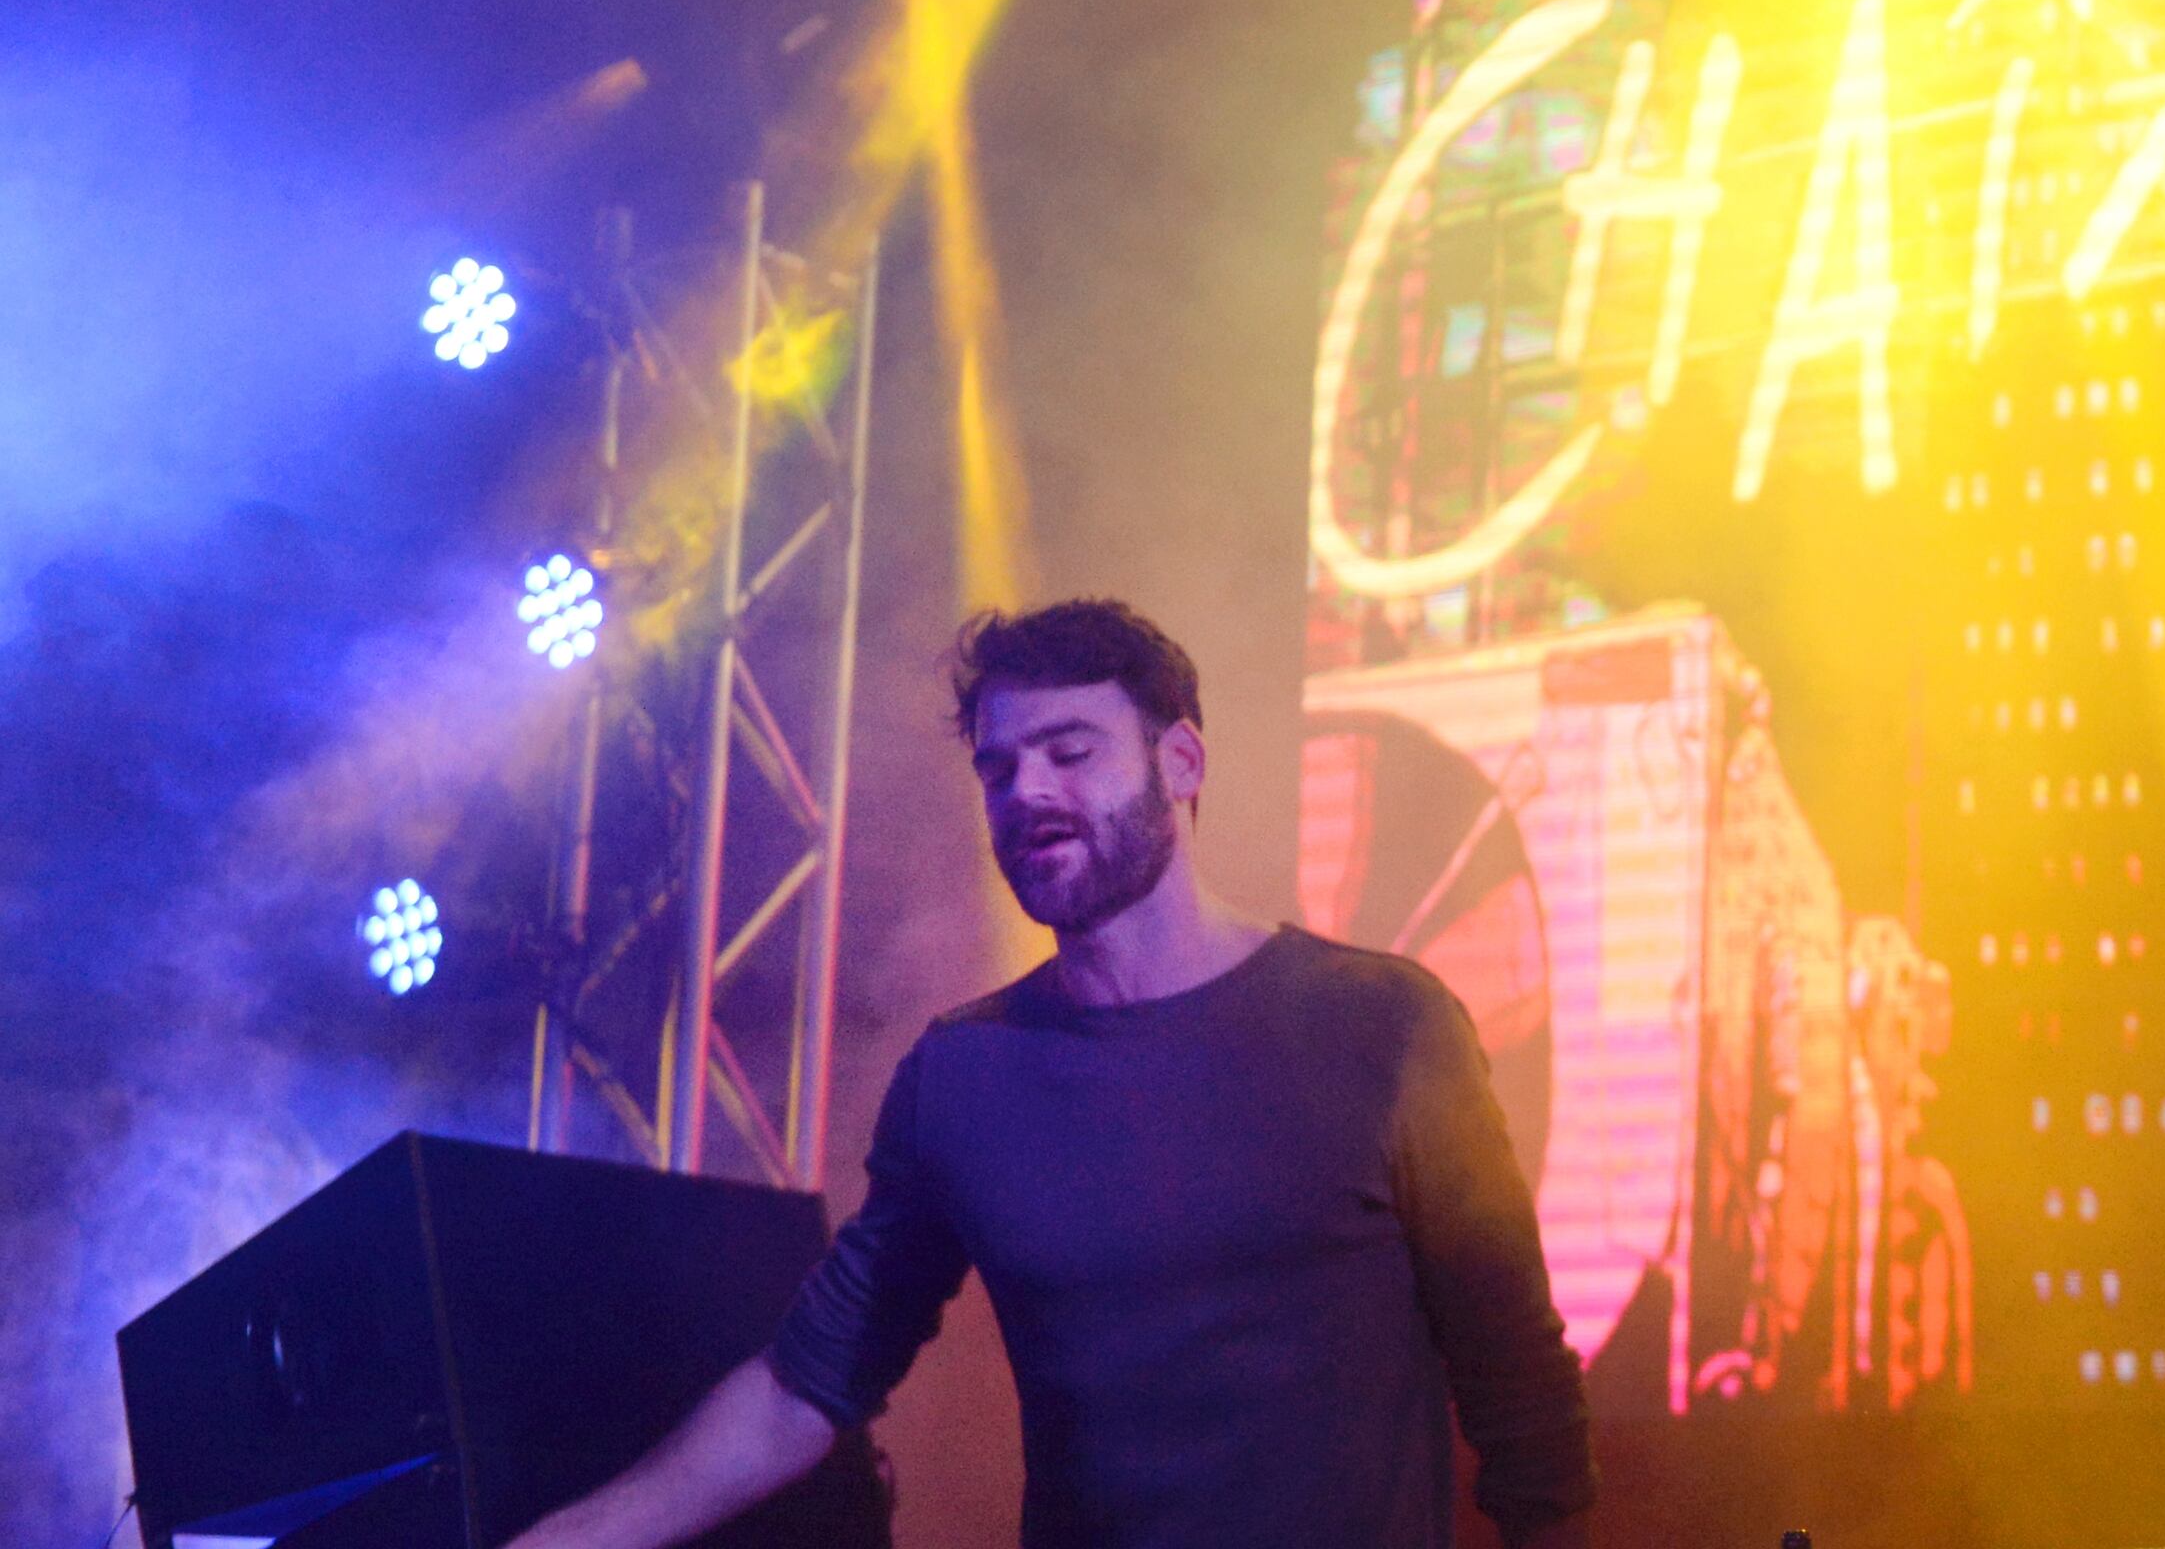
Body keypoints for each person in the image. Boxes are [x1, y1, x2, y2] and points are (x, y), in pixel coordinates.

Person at [515, 600, 1594, 1549]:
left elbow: (1523, 1398)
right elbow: (807, 1384)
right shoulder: (963, 1077)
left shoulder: (1382, 1025)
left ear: (1182, 763)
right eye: (999, 767)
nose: (1026, 790)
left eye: (1070, 752)